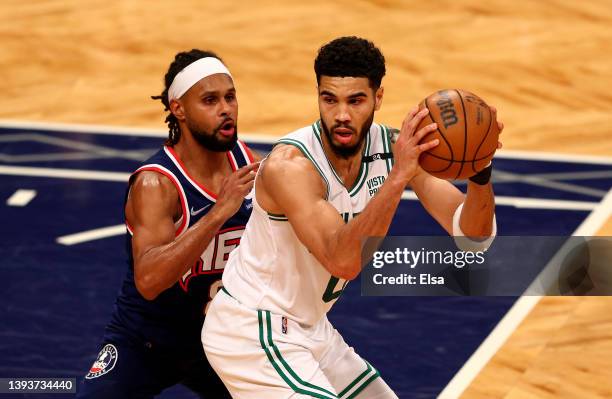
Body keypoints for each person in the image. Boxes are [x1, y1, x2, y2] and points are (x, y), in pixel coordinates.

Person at [202, 36, 502, 398]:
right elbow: (343, 261)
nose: (341, 115)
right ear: (318, 96)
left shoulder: (393, 147)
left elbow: (474, 239)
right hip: (252, 329)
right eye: (329, 99)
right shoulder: (291, 167)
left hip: (310, 329)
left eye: (356, 100)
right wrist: (398, 178)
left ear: (378, 97)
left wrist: (480, 172)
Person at [78, 49, 260, 398]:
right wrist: (219, 212)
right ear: (179, 108)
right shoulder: (155, 184)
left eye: (230, 97)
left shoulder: (242, 157)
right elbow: (148, 281)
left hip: (218, 342)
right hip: (147, 342)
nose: (226, 109)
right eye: (210, 100)